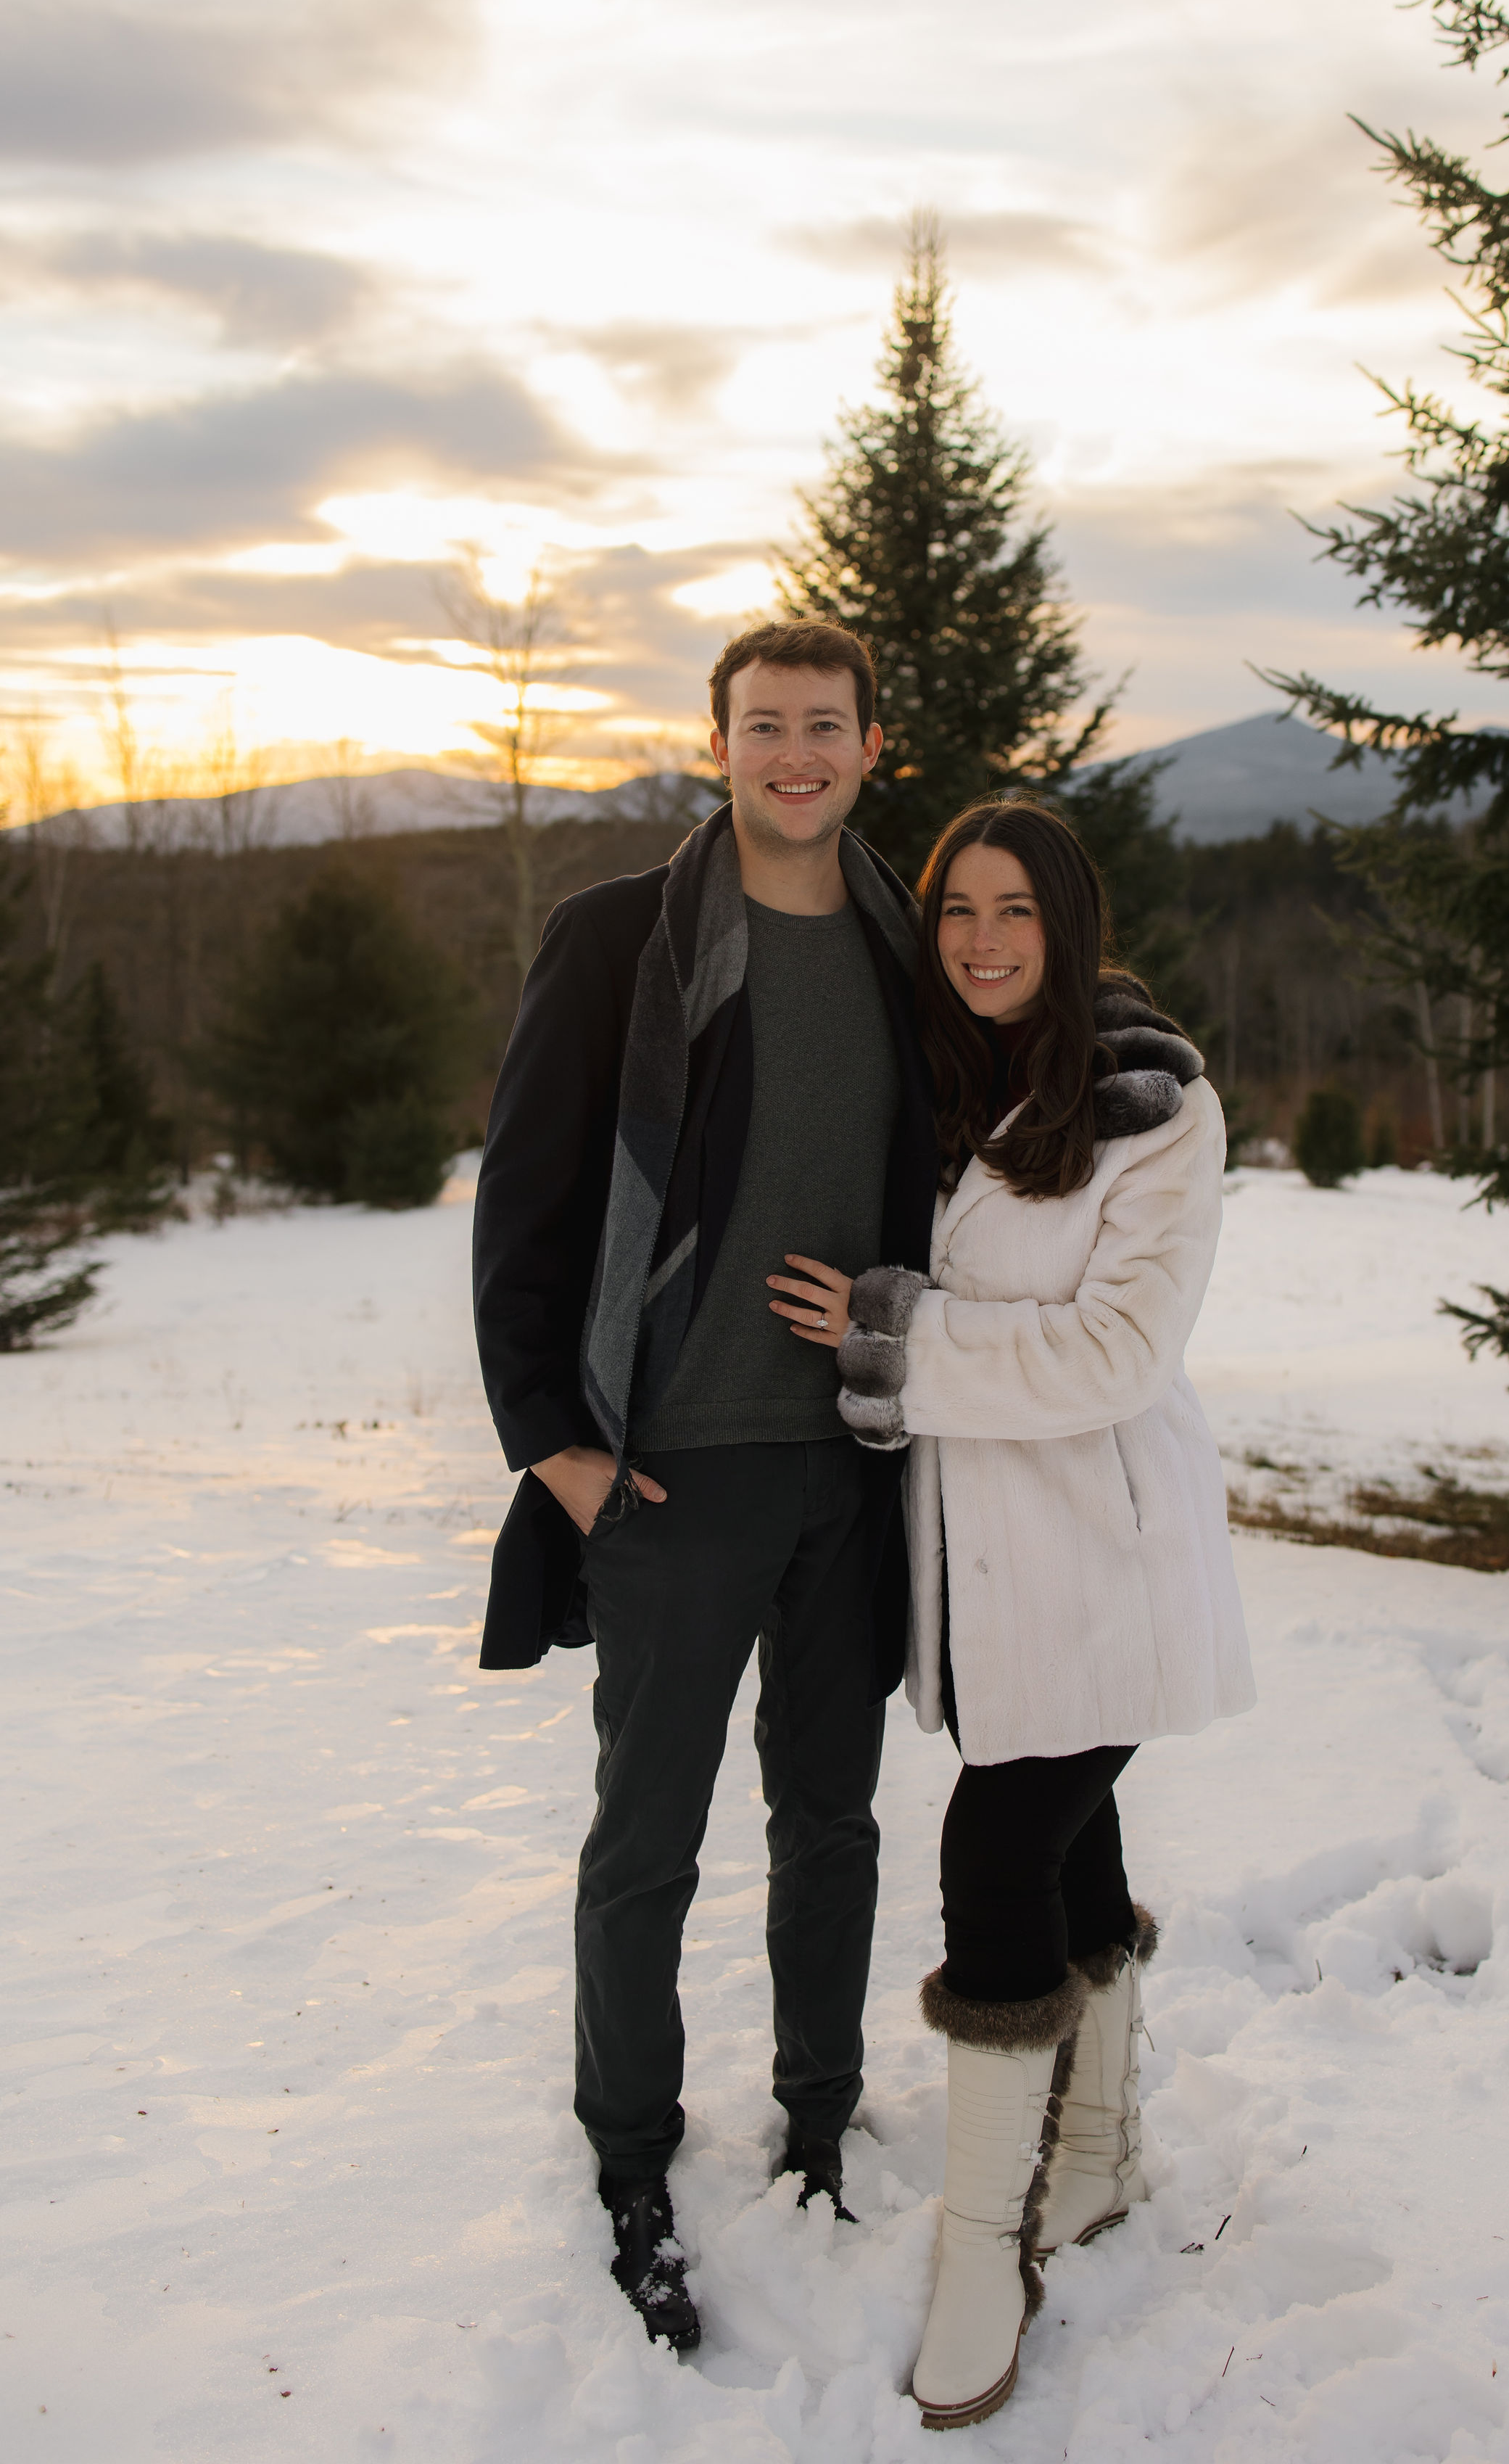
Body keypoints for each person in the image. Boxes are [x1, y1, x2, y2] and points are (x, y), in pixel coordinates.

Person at [470, 619, 936, 2352]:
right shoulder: (618, 942)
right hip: (669, 1477)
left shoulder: (908, 946)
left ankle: (820, 2121)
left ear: (873, 746)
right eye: (765, 727)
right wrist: (557, 1444)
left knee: (832, 1820)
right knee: (646, 1844)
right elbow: (522, 1207)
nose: (795, 754)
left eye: (827, 726)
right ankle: (630, 2154)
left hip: (850, 1470)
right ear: (716, 742)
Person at [783, 796, 1255, 2431]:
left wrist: (896, 1341)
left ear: (1070, 927)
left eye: (1017, 914)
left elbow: (1119, 1353)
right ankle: (1104, 2146)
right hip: (980, 1572)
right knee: (1073, 1846)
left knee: (994, 1854)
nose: (983, 941)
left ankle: (985, 2247)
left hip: (1106, 1558)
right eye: (958, 911)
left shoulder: (1154, 1108)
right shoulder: (925, 1090)